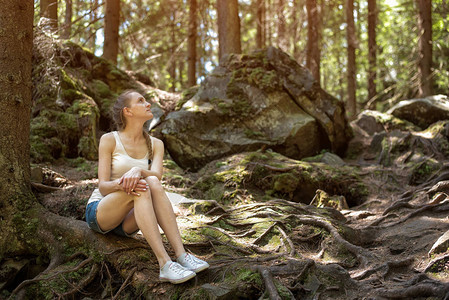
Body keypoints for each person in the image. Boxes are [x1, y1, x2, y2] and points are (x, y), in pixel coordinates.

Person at [85, 90, 209, 284]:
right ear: (128, 111)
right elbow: (103, 187)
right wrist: (125, 182)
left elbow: (157, 177)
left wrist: (138, 170)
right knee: (142, 186)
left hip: (129, 221)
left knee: (150, 182)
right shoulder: (109, 139)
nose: (148, 103)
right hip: (101, 211)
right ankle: (165, 264)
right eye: (141, 101)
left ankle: (182, 255)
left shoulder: (156, 144)